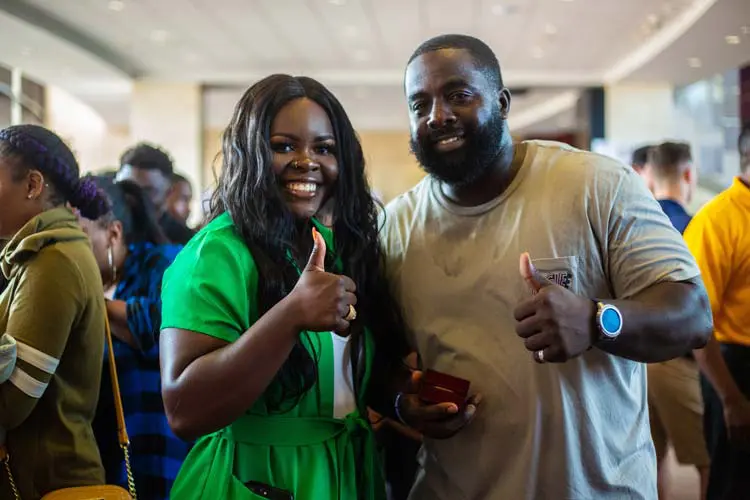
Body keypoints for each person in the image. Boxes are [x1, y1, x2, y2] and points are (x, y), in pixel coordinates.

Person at [381, 34, 713, 500]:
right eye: (420, 104)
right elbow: (379, 358)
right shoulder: (397, 227)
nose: (438, 116)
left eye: (458, 95)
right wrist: (404, 401)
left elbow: (693, 314)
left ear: (501, 102)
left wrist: (597, 320)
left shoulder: (594, 184)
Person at [159, 74, 408, 499]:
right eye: (284, 146)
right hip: (258, 477)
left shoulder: (331, 246)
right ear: (250, 153)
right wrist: (290, 314)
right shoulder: (216, 254)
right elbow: (185, 410)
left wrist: (404, 399)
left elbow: (339, 383)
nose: (307, 160)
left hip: (343, 472)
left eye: (323, 148)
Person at [0, 124, 110, 498]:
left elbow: (11, 404)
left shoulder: (53, 261)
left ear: (32, 185)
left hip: (49, 482)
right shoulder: (47, 255)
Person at [76, 176, 188, 500]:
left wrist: (92, 305)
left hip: (158, 448)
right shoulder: (84, 281)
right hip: (102, 450)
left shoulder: (162, 264)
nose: (68, 249)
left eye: (78, 236)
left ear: (113, 233)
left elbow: (166, 328)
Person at [684, 122, 750, 500]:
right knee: (733, 485)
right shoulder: (716, 221)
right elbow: (697, 323)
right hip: (733, 372)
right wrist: (731, 399)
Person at [645, 141, 710, 499]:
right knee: (709, 459)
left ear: (650, 176)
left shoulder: (634, 223)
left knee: (650, 457)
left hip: (634, 357)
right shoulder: (695, 227)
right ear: (688, 174)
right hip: (679, 361)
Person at [117, 143, 195, 245]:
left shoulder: (187, 243)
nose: (132, 197)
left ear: (168, 193)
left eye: (146, 191)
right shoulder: (107, 232)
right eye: (126, 188)